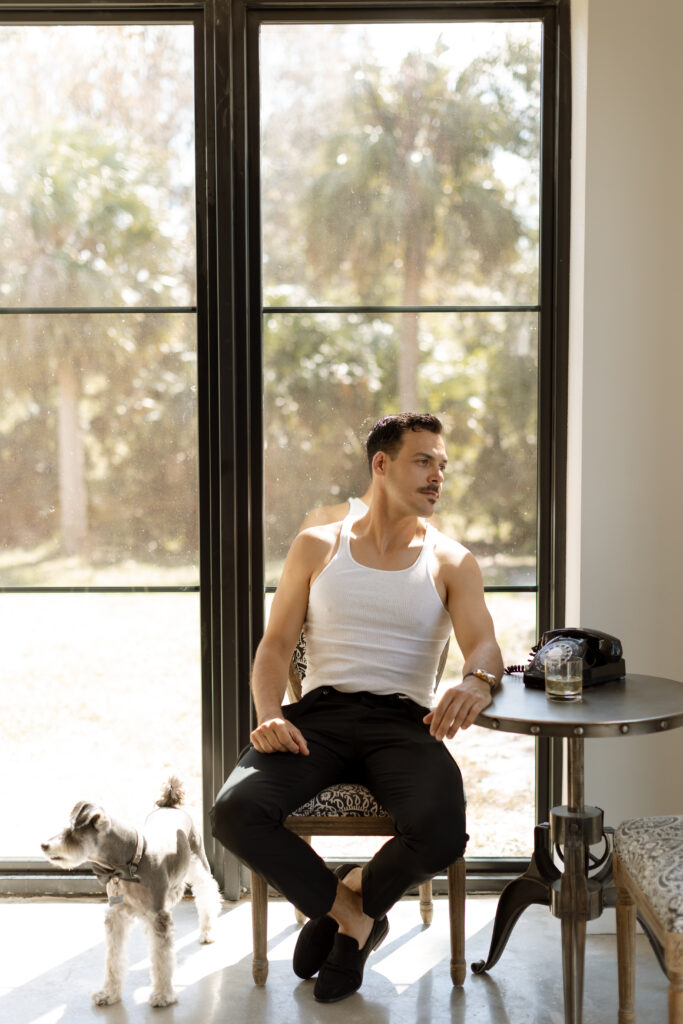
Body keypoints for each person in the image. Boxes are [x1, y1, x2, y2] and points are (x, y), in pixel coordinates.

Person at [211, 412, 504, 1002]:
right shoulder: (318, 545)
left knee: (443, 831)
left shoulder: (451, 561)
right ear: (382, 464)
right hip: (317, 718)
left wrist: (478, 680)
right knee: (233, 812)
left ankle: (348, 901)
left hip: (404, 724)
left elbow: (487, 646)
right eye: (424, 461)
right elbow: (273, 646)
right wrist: (270, 713)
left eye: (441, 465)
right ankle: (357, 920)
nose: (437, 476)